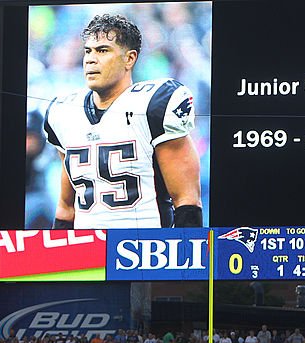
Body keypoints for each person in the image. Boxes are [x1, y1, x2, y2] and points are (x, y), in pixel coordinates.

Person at [43, 13, 203, 232]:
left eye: (102, 51)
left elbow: (186, 200)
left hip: (147, 250)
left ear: (129, 58)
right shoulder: (63, 113)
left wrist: (184, 258)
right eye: (88, 51)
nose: (90, 59)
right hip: (87, 253)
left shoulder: (153, 104)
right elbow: (65, 209)